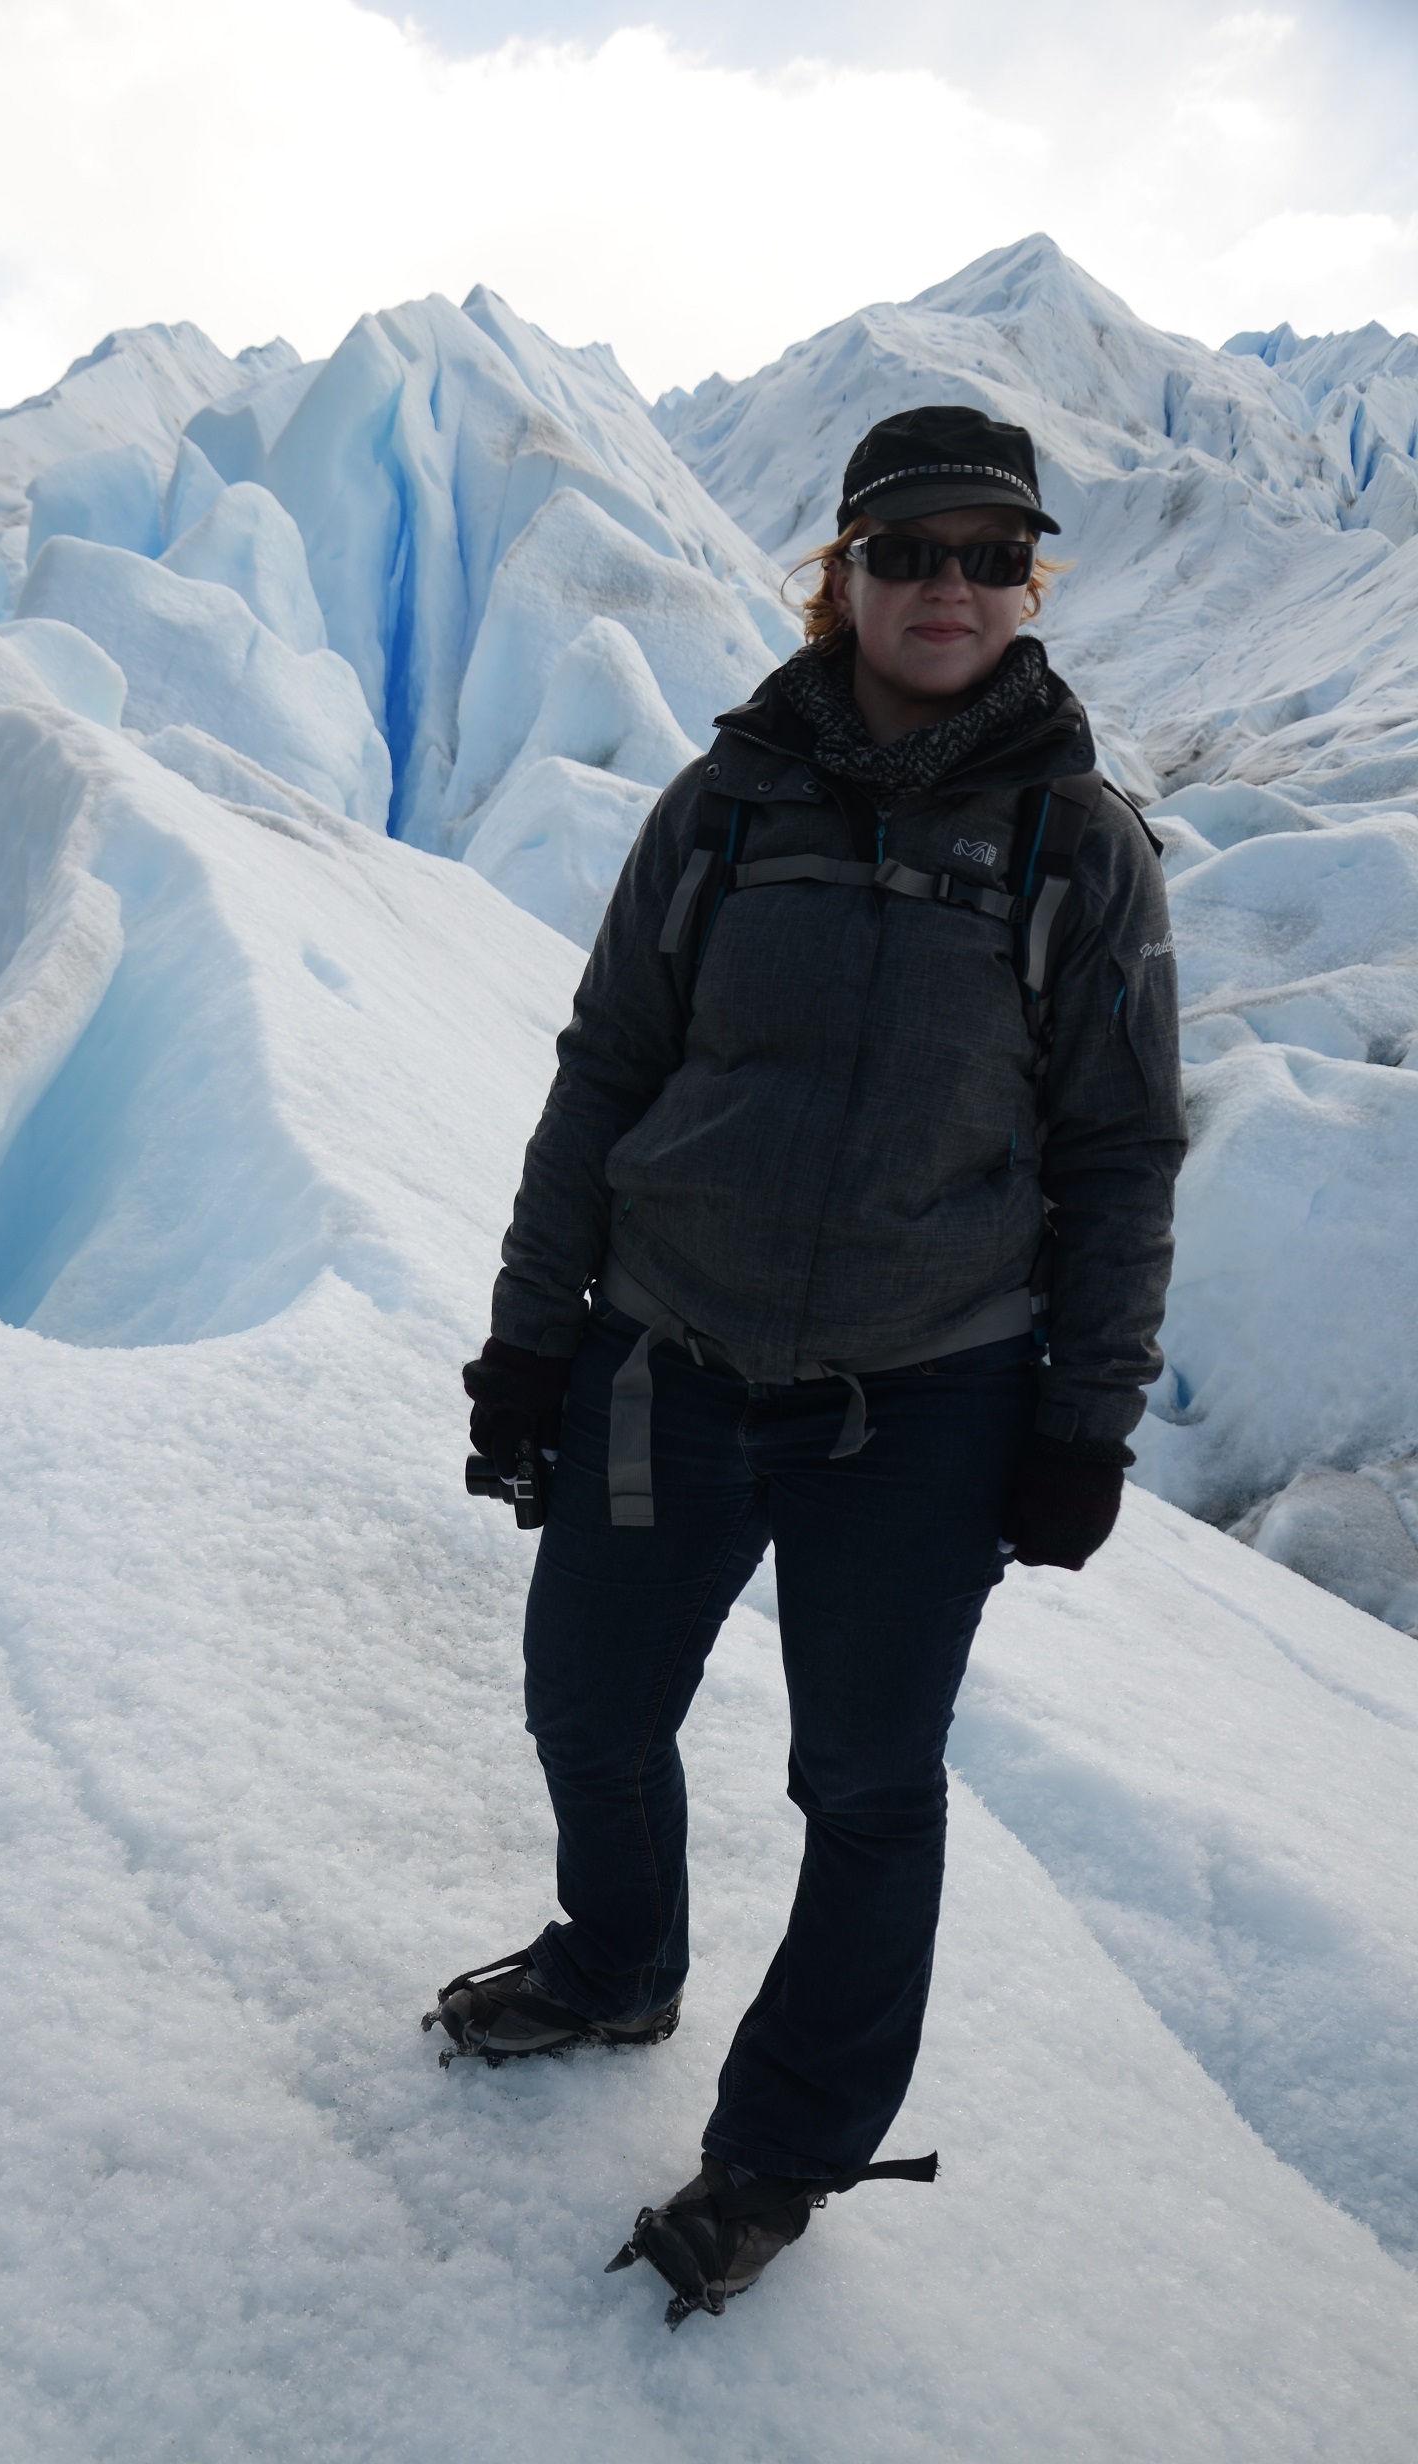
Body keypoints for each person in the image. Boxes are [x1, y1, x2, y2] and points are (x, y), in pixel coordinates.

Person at [432, 403, 1186, 2328]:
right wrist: (532, 1336)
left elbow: (1117, 1154)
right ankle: (620, 1965)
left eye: (989, 557)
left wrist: (1085, 1423)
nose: (948, 586)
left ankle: (781, 2149)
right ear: (837, 575)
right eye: (906, 551)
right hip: (661, 1358)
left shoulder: (1076, 846)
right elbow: (608, 1072)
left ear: (1029, 587)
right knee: (590, 1706)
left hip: (924, 1402)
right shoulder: (723, 808)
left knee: (863, 1783)